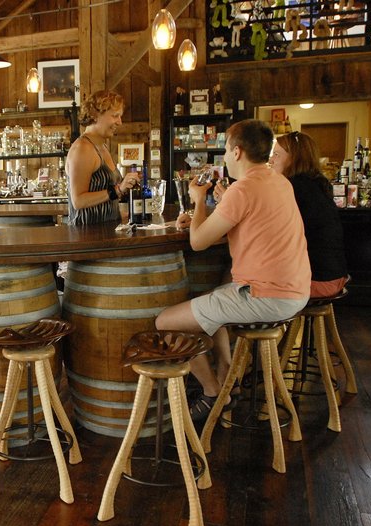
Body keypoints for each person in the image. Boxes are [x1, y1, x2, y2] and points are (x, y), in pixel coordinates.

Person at [158, 119, 311, 421]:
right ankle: (228, 377)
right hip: (295, 291)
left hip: (265, 296)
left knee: (166, 323)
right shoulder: (279, 182)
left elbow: (199, 242)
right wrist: (209, 212)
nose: (225, 156)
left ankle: (213, 391)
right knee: (217, 295)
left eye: (226, 149)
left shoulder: (243, 190)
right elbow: (252, 220)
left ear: (238, 152)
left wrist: (199, 200)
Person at [268, 131, 348, 297]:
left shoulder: (294, 187)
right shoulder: (316, 182)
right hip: (334, 275)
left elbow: (268, 228)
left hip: (316, 280)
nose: (271, 159)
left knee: (246, 281)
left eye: (276, 154)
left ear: (295, 158)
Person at [65, 90, 141, 225]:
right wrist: (118, 189)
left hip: (105, 232)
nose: (120, 122)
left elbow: (106, 198)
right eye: (115, 116)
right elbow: (78, 201)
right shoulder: (83, 149)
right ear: (95, 116)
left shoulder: (102, 146)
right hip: (87, 237)